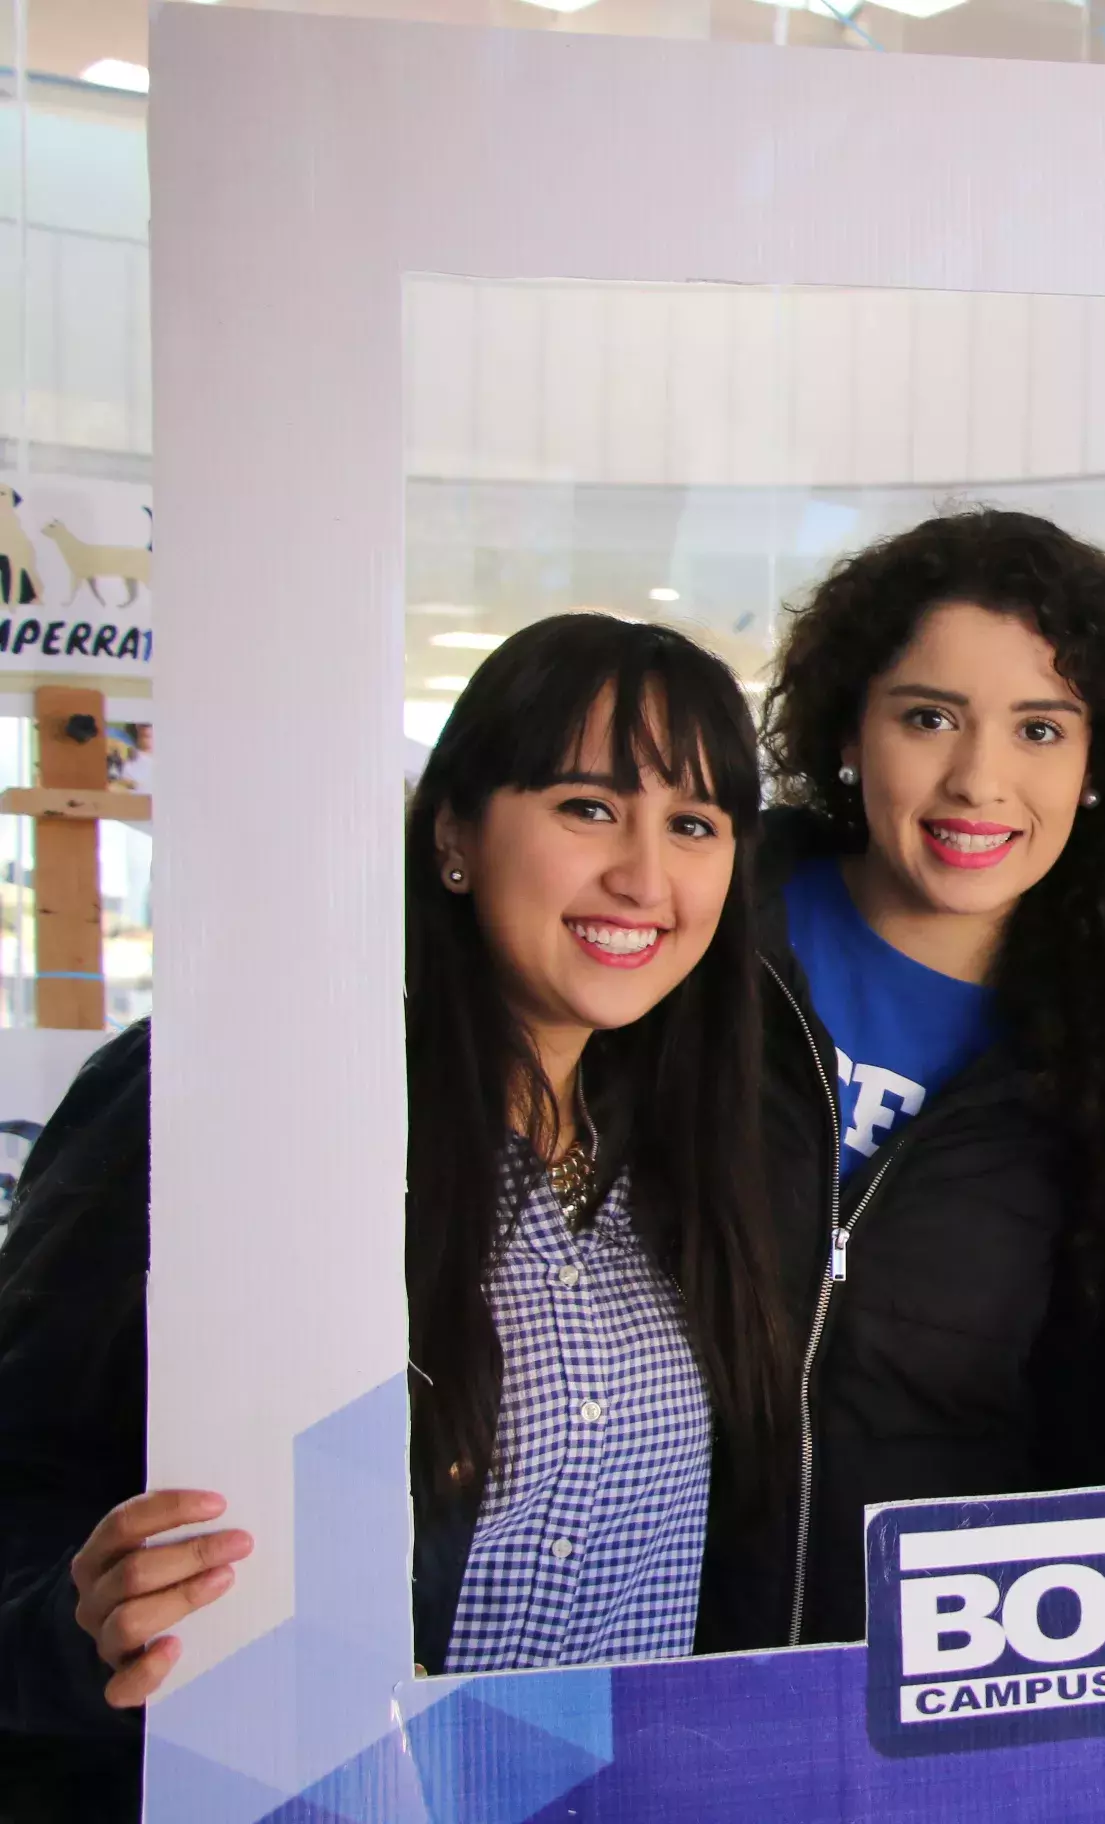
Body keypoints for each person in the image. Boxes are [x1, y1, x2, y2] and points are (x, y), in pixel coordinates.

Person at [0, 615, 790, 1817]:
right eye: (587, 807)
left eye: (693, 825)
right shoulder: (240, 1101)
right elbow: (26, 1468)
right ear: (456, 836)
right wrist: (72, 1619)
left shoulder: (697, 1161)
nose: (644, 875)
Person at [758, 507, 1105, 1646]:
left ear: (1096, 761)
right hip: (633, 1649)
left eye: (1039, 729)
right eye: (929, 717)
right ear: (849, 732)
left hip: (932, 1684)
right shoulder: (700, 936)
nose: (979, 780)